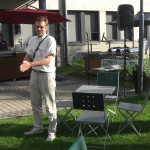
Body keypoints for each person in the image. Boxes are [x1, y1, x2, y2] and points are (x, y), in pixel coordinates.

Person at [20, 16, 57, 142]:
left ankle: (52, 132)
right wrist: (24, 62)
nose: (39, 29)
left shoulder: (50, 40)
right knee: (35, 103)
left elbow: (47, 60)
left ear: (46, 27)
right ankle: (38, 127)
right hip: (34, 74)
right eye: (37, 26)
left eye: (41, 26)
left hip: (47, 75)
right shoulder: (32, 40)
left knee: (49, 104)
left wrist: (30, 64)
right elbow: (28, 55)